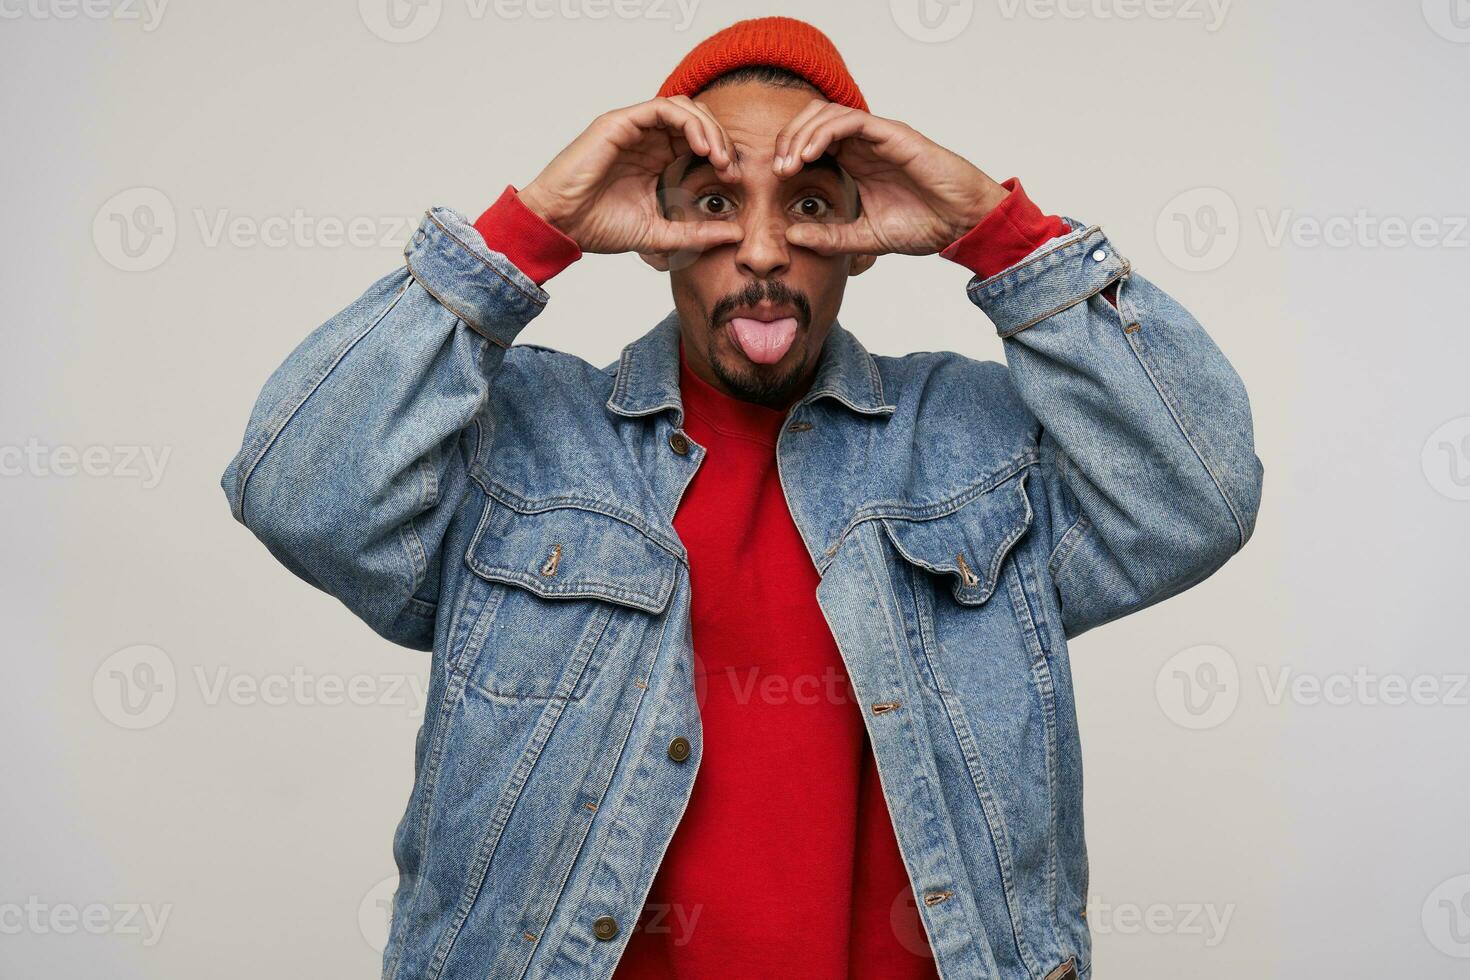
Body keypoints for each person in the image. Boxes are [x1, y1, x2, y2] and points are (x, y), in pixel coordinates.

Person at [221, 15, 1262, 980]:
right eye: (716, 203)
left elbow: (1198, 495)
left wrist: (997, 230)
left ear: (866, 226)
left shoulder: (974, 441)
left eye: (809, 204)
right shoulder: (524, 439)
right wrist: (527, 231)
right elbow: (297, 489)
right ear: (654, 223)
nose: (763, 252)